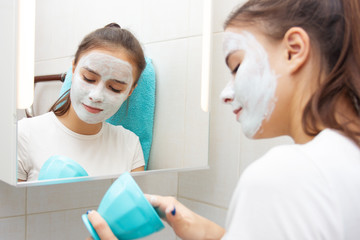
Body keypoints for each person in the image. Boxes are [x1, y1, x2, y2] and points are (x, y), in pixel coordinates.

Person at [86, 0, 360, 239]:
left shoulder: (287, 176)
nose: (225, 95)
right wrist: (211, 234)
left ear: (294, 50)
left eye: (237, 66)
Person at [18, 23, 146, 182]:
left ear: (130, 91)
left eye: (115, 88)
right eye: (89, 79)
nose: (96, 96)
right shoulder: (24, 134)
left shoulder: (129, 145)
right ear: (73, 69)